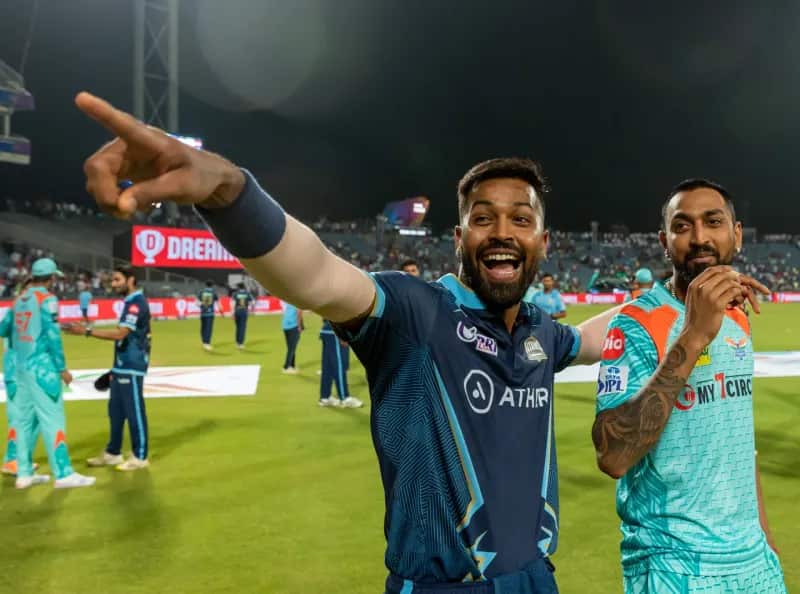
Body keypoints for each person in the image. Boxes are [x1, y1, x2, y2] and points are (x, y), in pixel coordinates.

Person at [74, 93, 763, 592]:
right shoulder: (415, 313)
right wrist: (226, 189)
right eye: (483, 218)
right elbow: (314, 272)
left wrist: (701, 286)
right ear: (459, 237)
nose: (502, 231)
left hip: (537, 580)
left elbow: (598, 334)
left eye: (520, 219)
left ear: (543, 242)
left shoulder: (539, 336)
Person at [592, 179, 785, 593]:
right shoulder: (635, 323)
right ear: (665, 242)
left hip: (752, 563)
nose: (699, 238)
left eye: (713, 222)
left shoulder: (737, 315)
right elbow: (614, 455)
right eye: (682, 226)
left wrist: (764, 539)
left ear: (736, 234)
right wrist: (694, 334)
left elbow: (735, 437)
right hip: (673, 565)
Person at [0, 258, 95, 489]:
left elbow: (3, 329)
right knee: (52, 419)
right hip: (41, 368)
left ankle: (24, 474)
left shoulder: (19, 299)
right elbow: (53, 337)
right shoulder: (47, 299)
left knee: (22, 422)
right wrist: (62, 368)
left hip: (19, 368)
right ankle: (63, 474)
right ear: (51, 278)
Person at [66, 265, 152, 471]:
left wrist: (86, 331)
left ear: (130, 280)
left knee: (134, 411)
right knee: (115, 411)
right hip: (122, 365)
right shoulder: (130, 302)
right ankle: (113, 453)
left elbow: (121, 334)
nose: (113, 284)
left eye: (117, 280)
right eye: (113, 280)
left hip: (132, 365)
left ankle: (140, 456)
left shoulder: (136, 304)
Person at [1, 277, 39, 476]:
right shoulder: (16, 311)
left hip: (30, 371)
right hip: (17, 372)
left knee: (34, 417)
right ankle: (12, 460)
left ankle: (22, 458)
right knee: (19, 416)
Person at [318, 319, 362, 408]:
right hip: (335, 332)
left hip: (328, 330)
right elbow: (338, 314)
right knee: (339, 365)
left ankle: (325, 397)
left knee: (328, 366)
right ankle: (345, 398)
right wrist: (341, 335)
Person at [280, 300, 303, 374]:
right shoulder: (298, 302)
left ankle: (292, 366)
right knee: (292, 348)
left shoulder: (290, 300)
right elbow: (299, 313)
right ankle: (286, 367)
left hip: (285, 325)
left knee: (291, 347)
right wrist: (299, 326)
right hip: (293, 326)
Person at [197, 280, 221, 351]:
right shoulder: (213, 292)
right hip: (210, 313)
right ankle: (207, 343)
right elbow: (218, 303)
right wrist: (221, 311)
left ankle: (204, 341)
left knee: (203, 327)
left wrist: (201, 305)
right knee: (208, 328)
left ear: (205, 285)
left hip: (203, 313)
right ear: (212, 285)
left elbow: (196, 302)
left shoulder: (201, 292)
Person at [231, 282, 254, 350]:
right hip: (244, 311)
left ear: (238, 287)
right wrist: (250, 310)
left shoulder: (235, 294)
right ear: (244, 287)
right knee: (242, 327)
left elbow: (232, 304)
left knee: (238, 327)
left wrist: (232, 313)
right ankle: (241, 343)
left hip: (237, 311)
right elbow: (252, 302)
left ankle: (237, 342)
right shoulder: (247, 294)